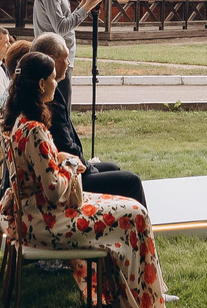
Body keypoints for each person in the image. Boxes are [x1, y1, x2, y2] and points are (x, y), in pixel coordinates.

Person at [0, 52, 169, 308]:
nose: (56, 82)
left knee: (127, 206)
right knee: (134, 215)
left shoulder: (20, 122)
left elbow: (41, 171)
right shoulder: (34, 130)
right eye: (53, 78)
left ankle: (126, 301)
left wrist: (60, 159)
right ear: (41, 84)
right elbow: (54, 191)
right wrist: (71, 165)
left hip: (34, 215)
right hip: (48, 220)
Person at [29, 33, 144, 206]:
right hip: (65, 180)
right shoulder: (47, 101)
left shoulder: (38, 96)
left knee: (113, 168)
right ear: (52, 60)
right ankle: (141, 230)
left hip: (63, 169)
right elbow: (65, 146)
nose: (68, 64)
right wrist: (88, 168)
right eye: (65, 59)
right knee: (131, 180)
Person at [32, 0, 103, 128]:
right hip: (54, 60)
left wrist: (82, 5)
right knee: (60, 115)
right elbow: (61, 27)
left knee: (62, 111)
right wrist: (85, 8)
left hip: (61, 58)